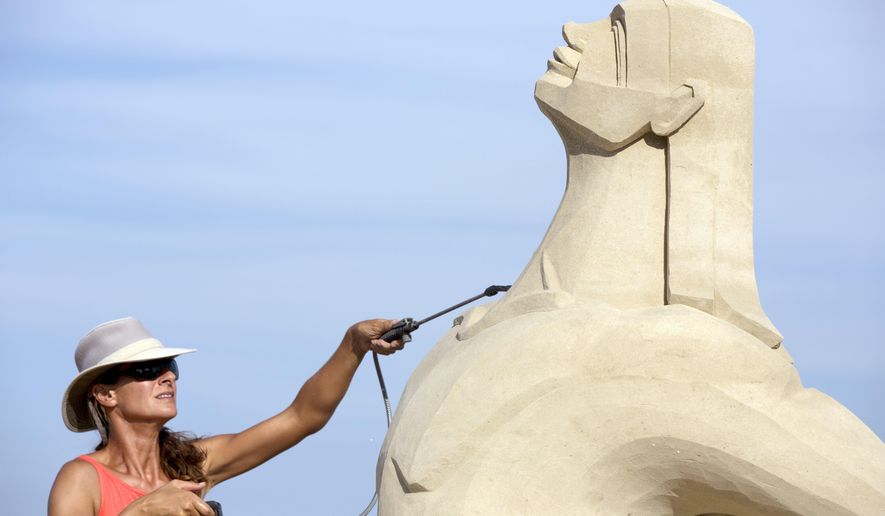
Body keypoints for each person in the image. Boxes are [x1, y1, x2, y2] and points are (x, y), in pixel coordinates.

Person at [48, 316, 405, 515]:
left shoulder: (194, 464)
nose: (168, 376)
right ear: (105, 394)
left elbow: (303, 416)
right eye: (147, 370)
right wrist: (142, 512)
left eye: (168, 366)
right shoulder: (81, 479)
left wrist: (352, 345)